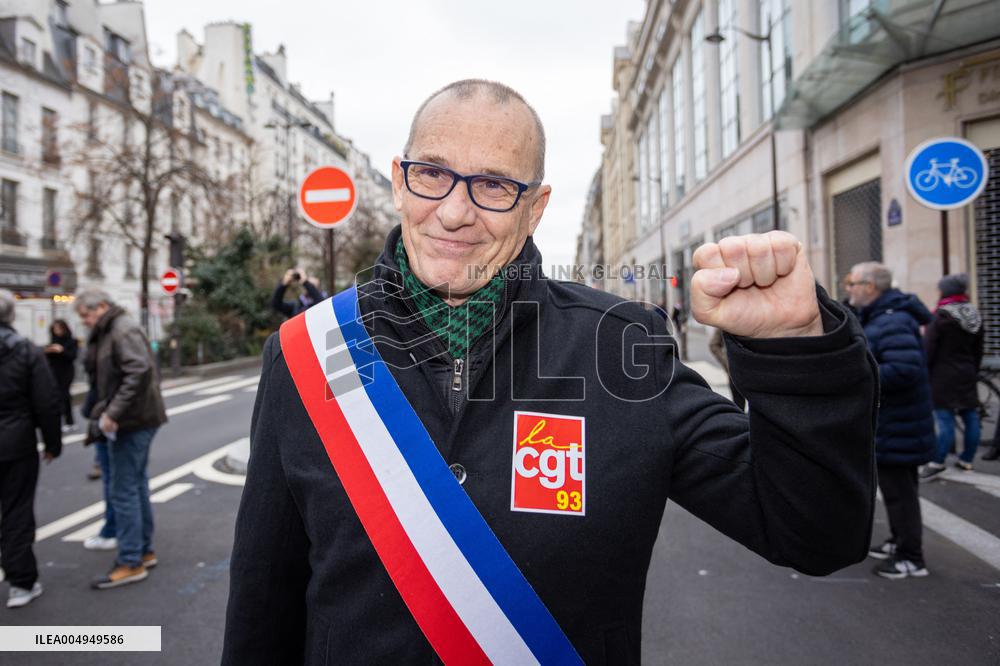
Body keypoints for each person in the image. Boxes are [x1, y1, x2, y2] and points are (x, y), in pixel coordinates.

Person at [223, 80, 877, 664]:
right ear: (398, 181)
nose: (454, 211)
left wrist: (796, 348)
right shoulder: (306, 349)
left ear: (535, 207)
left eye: (494, 185)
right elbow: (264, 594)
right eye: (432, 174)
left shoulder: (624, 345)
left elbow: (815, 534)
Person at [846, 262, 936, 579]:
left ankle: (911, 557)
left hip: (901, 425)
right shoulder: (880, 317)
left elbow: (906, 369)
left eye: (852, 282)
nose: (848, 288)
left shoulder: (893, 321)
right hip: (893, 424)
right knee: (895, 490)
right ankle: (899, 542)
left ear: (870, 287)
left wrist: (858, 376)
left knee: (901, 494)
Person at [75, 288, 166, 589]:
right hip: (136, 418)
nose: (85, 321)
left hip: (132, 420)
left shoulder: (121, 329)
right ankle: (143, 550)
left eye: (86, 315)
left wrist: (112, 413)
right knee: (134, 485)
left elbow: (138, 371)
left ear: (101, 306)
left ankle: (130, 561)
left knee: (124, 489)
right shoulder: (115, 327)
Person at [0, 289, 61, 608]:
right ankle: (21, 583)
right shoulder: (25, 351)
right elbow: (46, 402)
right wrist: (52, 443)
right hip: (15, 443)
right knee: (16, 511)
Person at [921, 274, 985, 477]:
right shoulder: (974, 314)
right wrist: (973, 369)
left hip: (942, 375)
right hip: (966, 371)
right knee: (970, 416)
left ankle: (937, 462)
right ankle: (966, 460)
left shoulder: (941, 316)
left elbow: (928, 349)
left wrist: (924, 371)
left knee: (945, 419)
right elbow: (979, 350)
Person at [44, 319, 78, 432]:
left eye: (59, 329)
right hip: (53, 372)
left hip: (66, 372)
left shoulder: (71, 341)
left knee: (64, 395)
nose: (57, 331)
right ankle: (61, 421)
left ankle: (69, 421)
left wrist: (62, 350)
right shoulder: (52, 341)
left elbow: (72, 356)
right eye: (55, 329)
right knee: (56, 397)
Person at [708, 327, 746, 410]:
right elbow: (713, 345)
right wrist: (727, 362)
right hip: (735, 373)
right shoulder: (726, 324)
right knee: (739, 407)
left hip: (757, 372)